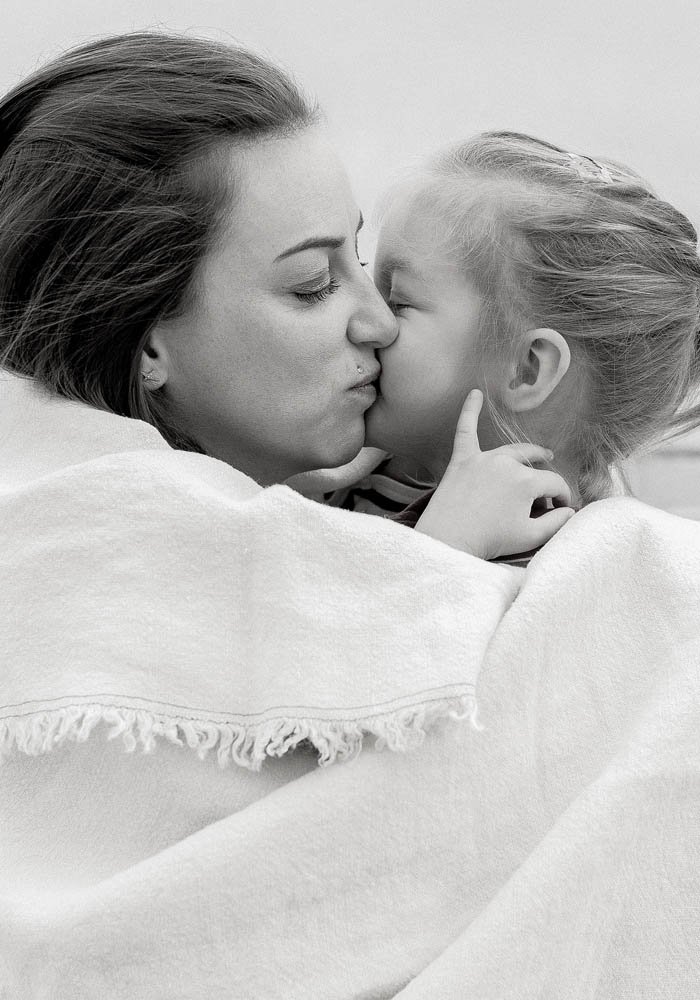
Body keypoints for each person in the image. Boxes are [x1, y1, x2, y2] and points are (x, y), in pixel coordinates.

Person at [0, 37, 698, 999]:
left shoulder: (539, 527)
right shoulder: (106, 523)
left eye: (377, 276)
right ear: (147, 336)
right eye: (314, 283)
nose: (371, 322)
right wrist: (439, 559)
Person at [330, 132, 700, 550]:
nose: (367, 317)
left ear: (527, 369)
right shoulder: (350, 476)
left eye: (397, 301)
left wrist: (444, 549)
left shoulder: (557, 562)